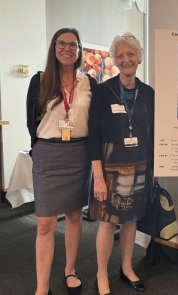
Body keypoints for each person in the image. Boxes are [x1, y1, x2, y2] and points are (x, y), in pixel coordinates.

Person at [26, 28, 97, 295]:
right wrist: (39, 149)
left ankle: (70, 269)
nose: (67, 48)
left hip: (79, 155)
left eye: (73, 44)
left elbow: (95, 123)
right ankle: (42, 287)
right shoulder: (40, 80)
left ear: (79, 51)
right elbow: (31, 120)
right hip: (48, 154)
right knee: (45, 223)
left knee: (75, 214)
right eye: (62, 43)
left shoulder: (90, 82)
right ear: (54, 47)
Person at [88, 32, 154, 295]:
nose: (126, 59)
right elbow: (94, 134)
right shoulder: (104, 91)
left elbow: (154, 133)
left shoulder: (148, 93)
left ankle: (126, 267)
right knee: (108, 221)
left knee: (131, 220)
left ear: (138, 58)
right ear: (115, 60)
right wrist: (98, 177)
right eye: (121, 55)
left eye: (131, 54)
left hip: (139, 165)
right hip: (110, 167)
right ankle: (101, 273)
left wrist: (154, 169)